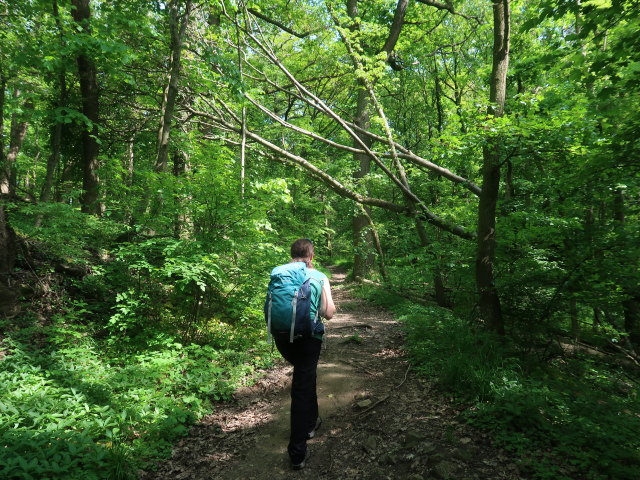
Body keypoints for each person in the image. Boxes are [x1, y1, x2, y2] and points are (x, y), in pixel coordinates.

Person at [274, 238, 335, 470]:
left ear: (291, 255)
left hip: (283, 338)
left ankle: (311, 422)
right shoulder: (319, 276)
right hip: (308, 339)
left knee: (305, 377)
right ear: (312, 256)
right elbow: (328, 313)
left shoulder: (281, 275)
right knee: (302, 385)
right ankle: (297, 452)